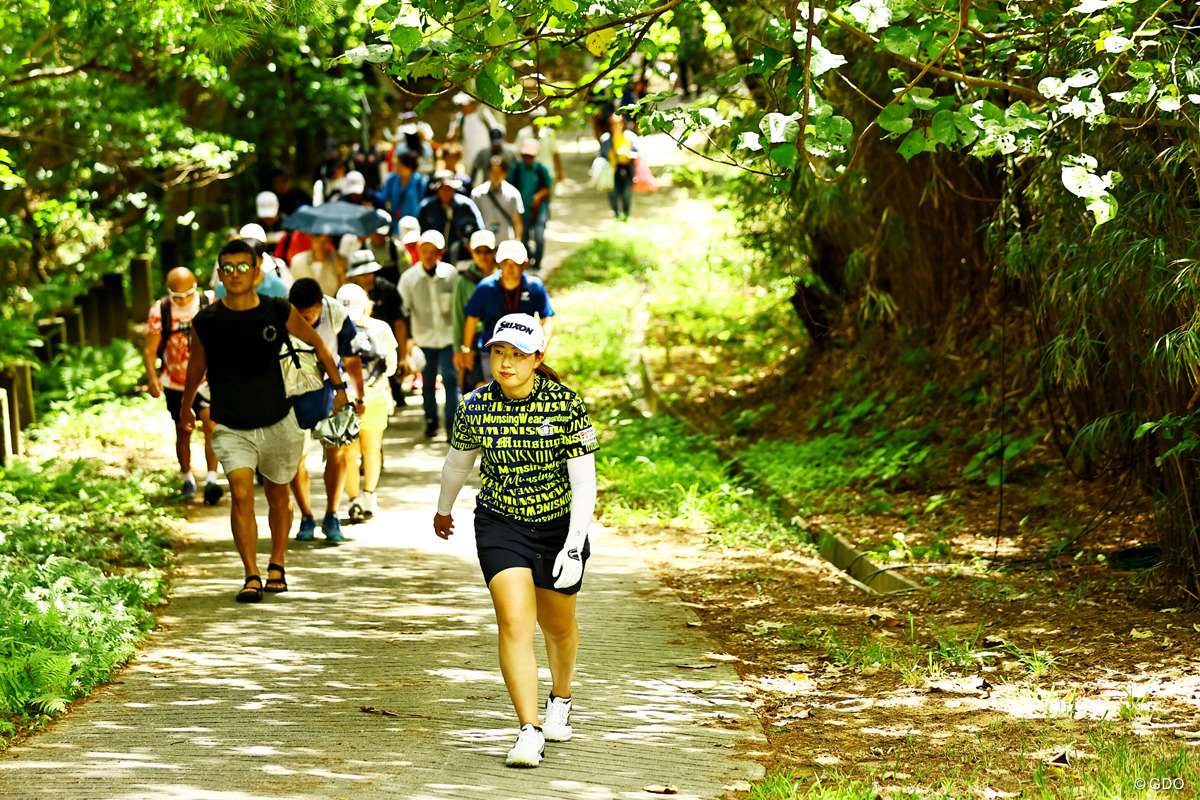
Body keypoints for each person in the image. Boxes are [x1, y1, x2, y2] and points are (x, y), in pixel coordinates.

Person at [434, 313, 600, 768]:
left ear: (537, 358)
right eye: (498, 353)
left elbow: (585, 484)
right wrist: (444, 508)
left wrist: (573, 543)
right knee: (514, 622)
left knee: (559, 625)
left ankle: (561, 699)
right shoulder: (475, 405)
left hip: (559, 526)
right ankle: (528, 730)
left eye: (517, 355)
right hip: (500, 522)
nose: (505, 363)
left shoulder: (565, 405)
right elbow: (457, 463)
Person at [180, 239, 347, 603]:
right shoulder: (206, 320)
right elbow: (196, 366)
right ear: (220, 274)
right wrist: (185, 408)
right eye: (229, 267)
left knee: (276, 494)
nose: (236, 274)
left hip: (277, 420)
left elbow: (318, 344)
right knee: (240, 492)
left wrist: (340, 390)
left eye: (244, 267)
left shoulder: (277, 310)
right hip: (230, 423)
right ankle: (251, 574)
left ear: (257, 272)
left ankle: (277, 563)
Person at [287, 278, 366, 544]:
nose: (307, 317)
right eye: (301, 312)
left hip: (330, 389)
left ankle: (332, 514)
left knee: (337, 452)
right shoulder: (282, 316)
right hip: (291, 391)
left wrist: (358, 395)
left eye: (311, 312)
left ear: (321, 304)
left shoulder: (336, 314)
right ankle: (306, 516)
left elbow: (351, 359)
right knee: (295, 458)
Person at [144, 267, 222, 505]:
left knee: (210, 425)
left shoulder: (210, 303)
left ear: (195, 287)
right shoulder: (161, 310)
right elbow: (150, 348)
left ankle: (211, 479)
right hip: (175, 381)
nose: (182, 300)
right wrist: (152, 377)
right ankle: (187, 477)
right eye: (176, 296)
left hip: (207, 380)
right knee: (183, 430)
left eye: (187, 294)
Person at [336, 284, 399, 523]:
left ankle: (353, 501)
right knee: (372, 451)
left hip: (344, 400)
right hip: (376, 397)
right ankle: (369, 497)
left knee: (349, 454)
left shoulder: (334, 328)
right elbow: (391, 366)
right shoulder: (381, 328)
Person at [458, 240, 555, 385]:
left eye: (515, 262)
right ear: (498, 263)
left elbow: (547, 320)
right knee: (495, 397)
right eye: (505, 262)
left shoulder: (534, 286)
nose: (510, 268)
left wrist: (542, 347)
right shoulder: (486, 287)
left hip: (524, 353)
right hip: (493, 351)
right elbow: (472, 319)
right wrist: (466, 350)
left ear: (525, 263)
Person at [398, 230, 460, 439]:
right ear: (418, 251)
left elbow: (458, 305)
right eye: (424, 250)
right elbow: (403, 311)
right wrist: (408, 341)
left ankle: (452, 421)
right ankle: (430, 419)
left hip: (448, 336)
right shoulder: (409, 278)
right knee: (428, 380)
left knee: (451, 379)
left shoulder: (451, 274)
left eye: (433, 251)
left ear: (440, 253)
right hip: (423, 337)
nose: (428, 255)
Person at [454, 230, 499, 392]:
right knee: (479, 392)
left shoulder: (504, 277)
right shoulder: (464, 281)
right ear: (470, 251)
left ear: (495, 251)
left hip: (500, 344)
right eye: (477, 251)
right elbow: (458, 316)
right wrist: (459, 350)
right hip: (474, 346)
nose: (483, 256)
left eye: (487, 251)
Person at [417, 171, 486, 264]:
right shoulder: (426, 207)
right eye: (442, 188)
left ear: (454, 189)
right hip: (433, 258)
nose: (446, 192)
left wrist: (469, 243)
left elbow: (480, 231)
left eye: (449, 188)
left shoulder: (466, 206)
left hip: (461, 258)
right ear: (437, 189)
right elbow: (418, 232)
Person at [507, 140, 553, 271]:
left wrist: (538, 196)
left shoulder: (540, 169)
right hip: (522, 211)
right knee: (524, 237)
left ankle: (538, 264)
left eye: (530, 156)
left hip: (539, 209)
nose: (528, 159)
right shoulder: (516, 169)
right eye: (525, 156)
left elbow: (547, 187)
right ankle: (526, 262)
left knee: (539, 236)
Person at [448, 93, 500, 182]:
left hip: (485, 155)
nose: (462, 107)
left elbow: (495, 130)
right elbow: (450, 138)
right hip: (468, 157)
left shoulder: (483, 114)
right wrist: (456, 132)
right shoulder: (459, 118)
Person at [471, 156, 525, 242]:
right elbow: (472, 220)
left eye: (499, 172)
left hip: (506, 242)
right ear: (488, 172)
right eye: (493, 172)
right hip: (484, 244)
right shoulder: (477, 194)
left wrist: (517, 241)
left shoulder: (513, 194)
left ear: (505, 173)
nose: (496, 176)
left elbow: (517, 221)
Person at [599, 114, 639, 221]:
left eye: (619, 124)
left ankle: (626, 216)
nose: (617, 126)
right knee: (613, 195)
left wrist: (627, 154)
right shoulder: (606, 139)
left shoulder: (630, 137)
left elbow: (637, 153)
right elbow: (602, 155)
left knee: (626, 194)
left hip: (627, 169)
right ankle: (617, 215)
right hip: (612, 171)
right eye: (613, 124)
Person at [515, 108, 566, 186]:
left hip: (547, 173)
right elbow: (517, 154)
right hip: (528, 175)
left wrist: (560, 171)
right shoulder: (523, 134)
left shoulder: (550, 134)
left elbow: (555, 153)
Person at [382, 151, 428, 233]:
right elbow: (383, 199)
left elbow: (424, 205)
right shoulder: (391, 180)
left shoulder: (420, 183)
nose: (397, 167)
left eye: (400, 164)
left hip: (413, 228)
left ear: (409, 167)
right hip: (395, 226)